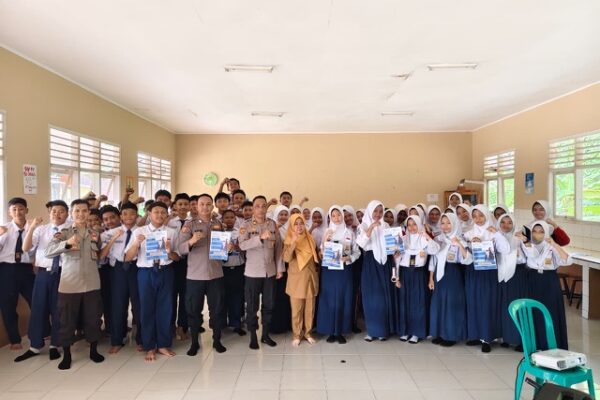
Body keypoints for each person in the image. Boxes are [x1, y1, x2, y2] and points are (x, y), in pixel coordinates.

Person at [45, 199, 104, 370]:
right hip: (70, 285)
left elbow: (99, 254)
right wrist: (67, 243)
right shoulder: (64, 233)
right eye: (77, 211)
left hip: (92, 283)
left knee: (93, 319)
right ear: (72, 213)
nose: (81, 214)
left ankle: (93, 350)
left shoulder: (95, 233)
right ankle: (67, 355)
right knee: (67, 321)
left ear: (89, 212)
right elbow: (48, 252)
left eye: (84, 211)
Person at [15, 200, 69, 362]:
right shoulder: (41, 229)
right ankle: (35, 346)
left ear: (67, 214)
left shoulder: (72, 230)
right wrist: (31, 227)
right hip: (43, 274)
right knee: (38, 308)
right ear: (49, 213)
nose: (57, 214)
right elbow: (25, 248)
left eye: (61, 211)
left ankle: (55, 345)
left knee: (58, 310)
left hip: (63, 273)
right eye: (54, 211)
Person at [125, 201, 178, 362]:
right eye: (156, 212)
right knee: (146, 309)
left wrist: (169, 251)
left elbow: (177, 257)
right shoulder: (139, 231)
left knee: (165, 308)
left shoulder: (171, 232)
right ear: (149, 214)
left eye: (163, 212)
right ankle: (149, 346)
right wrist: (137, 243)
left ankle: (163, 344)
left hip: (165, 271)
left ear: (167, 214)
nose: (160, 215)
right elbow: (127, 257)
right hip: (146, 273)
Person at [178, 194, 228, 355]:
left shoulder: (218, 224)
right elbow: (179, 249)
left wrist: (228, 247)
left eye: (208, 204)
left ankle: (217, 340)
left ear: (212, 206)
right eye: (202, 204)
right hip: (195, 276)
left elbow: (223, 248)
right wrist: (191, 241)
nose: (205, 207)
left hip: (216, 274)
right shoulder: (189, 225)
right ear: (196, 206)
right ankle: (194, 343)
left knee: (217, 310)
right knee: (193, 311)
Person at [238, 196, 285, 349]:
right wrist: (259, 238)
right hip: (253, 272)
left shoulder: (272, 224)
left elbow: (279, 248)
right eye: (257, 206)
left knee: (269, 305)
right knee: (252, 306)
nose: (261, 209)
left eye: (263, 206)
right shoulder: (245, 225)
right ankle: (253, 336)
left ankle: (265, 335)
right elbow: (242, 245)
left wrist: (279, 268)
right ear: (253, 208)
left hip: (269, 272)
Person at [463, 204, 510, 353]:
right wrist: (471, 244)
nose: (478, 219)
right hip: (473, 271)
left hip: (489, 271)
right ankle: (475, 334)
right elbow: (464, 252)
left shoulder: (494, 231)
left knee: (487, 302)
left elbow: (505, 249)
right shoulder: (468, 233)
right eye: (475, 216)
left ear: (487, 215)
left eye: (481, 215)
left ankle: (487, 337)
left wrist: (496, 235)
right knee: (473, 301)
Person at [99, 202, 142, 353]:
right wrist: (113, 238)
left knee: (139, 305)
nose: (128, 216)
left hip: (137, 268)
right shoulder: (109, 233)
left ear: (137, 215)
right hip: (118, 270)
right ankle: (117, 339)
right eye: (125, 214)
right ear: (121, 217)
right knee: (118, 305)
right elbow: (101, 255)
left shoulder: (143, 231)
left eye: (132, 213)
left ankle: (141, 339)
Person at [522, 221, 570, 350]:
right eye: (535, 231)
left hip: (549, 281)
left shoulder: (551, 246)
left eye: (541, 231)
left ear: (547, 233)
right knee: (534, 311)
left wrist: (555, 245)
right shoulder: (527, 244)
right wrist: (525, 241)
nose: (537, 234)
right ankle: (536, 346)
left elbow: (567, 260)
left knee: (550, 311)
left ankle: (553, 345)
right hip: (533, 280)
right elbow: (529, 255)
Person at [317, 205, 360, 343]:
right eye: (333, 215)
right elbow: (321, 252)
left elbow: (357, 251)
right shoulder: (327, 231)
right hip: (329, 271)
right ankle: (331, 331)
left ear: (342, 215)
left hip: (345, 270)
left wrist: (350, 258)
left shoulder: (349, 233)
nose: (337, 218)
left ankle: (340, 331)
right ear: (330, 217)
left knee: (343, 298)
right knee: (329, 299)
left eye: (339, 215)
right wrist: (326, 240)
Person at [394, 215, 440, 343]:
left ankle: (416, 332)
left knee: (418, 303)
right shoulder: (403, 239)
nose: (412, 227)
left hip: (419, 273)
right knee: (405, 303)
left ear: (419, 225)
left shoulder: (423, 239)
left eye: (414, 224)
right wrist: (396, 277)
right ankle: (405, 331)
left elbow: (435, 250)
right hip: (405, 273)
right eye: (409, 225)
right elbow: (397, 260)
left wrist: (426, 236)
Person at [356, 200, 396, 341]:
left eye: (380, 211)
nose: (378, 214)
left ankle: (383, 331)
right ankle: (372, 331)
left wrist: (396, 249)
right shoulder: (362, 226)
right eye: (375, 211)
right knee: (371, 297)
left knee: (384, 297)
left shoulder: (386, 226)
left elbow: (392, 245)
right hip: (371, 263)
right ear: (369, 211)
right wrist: (371, 228)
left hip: (385, 262)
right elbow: (361, 243)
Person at [429, 213, 471, 347]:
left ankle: (451, 335)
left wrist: (458, 244)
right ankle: (440, 333)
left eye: (448, 223)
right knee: (439, 303)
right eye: (443, 223)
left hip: (453, 273)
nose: (445, 226)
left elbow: (468, 259)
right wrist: (430, 278)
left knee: (452, 304)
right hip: (439, 274)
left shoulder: (460, 240)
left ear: (454, 224)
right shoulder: (439, 239)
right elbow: (433, 259)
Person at [0, 197, 35, 350]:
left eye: (21, 208)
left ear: (26, 210)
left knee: (36, 301)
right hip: (6, 270)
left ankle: (44, 332)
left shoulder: (34, 228)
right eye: (14, 209)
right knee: (8, 306)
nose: (18, 212)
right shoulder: (4, 229)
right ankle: (15, 340)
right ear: (9, 212)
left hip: (26, 269)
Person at [283, 214, 320, 346]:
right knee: (297, 310)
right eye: (296, 224)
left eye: (301, 223)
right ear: (291, 226)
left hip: (310, 278)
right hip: (296, 280)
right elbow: (286, 258)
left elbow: (317, 256)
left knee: (310, 309)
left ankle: (308, 333)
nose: (299, 226)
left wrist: (324, 250)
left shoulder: (310, 239)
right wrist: (293, 242)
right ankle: (297, 334)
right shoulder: (288, 240)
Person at [496, 213, 527, 351]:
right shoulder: (496, 237)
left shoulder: (519, 239)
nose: (506, 225)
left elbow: (524, 258)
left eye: (509, 222)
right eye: (503, 222)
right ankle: (507, 337)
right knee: (505, 307)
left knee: (517, 307)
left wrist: (518, 250)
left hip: (516, 275)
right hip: (501, 276)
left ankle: (521, 340)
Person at [167, 193, 192, 340]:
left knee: (185, 296)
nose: (182, 207)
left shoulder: (194, 222)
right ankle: (170, 326)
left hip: (189, 262)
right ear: (175, 206)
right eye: (180, 204)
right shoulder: (169, 222)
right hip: (172, 262)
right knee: (170, 296)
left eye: (185, 204)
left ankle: (183, 326)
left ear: (189, 206)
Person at [221, 209, 246, 336]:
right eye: (226, 217)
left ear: (235, 219)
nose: (229, 219)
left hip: (238, 268)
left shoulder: (239, 233)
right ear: (222, 219)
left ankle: (236, 324)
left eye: (232, 217)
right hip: (222, 270)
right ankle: (222, 323)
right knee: (222, 297)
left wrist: (237, 247)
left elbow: (246, 249)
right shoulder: (219, 233)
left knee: (237, 297)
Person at [271, 205, 292, 334]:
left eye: (285, 215)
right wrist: (275, 231)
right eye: (281, 214)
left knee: (286, 296)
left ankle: (287, 323)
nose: (283, 217)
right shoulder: (271, 228)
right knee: (275, 296)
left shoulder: (291, 229)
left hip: (289, 266)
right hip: (275, 266)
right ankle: (275, 326)